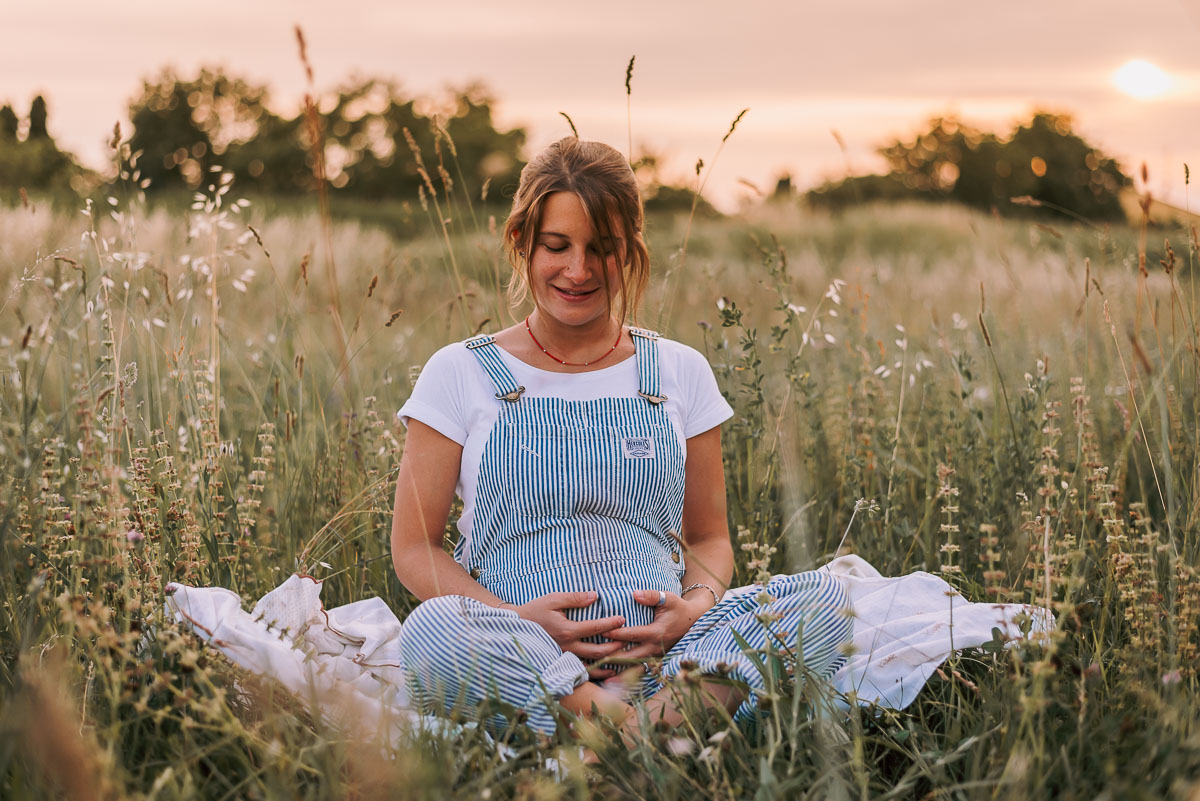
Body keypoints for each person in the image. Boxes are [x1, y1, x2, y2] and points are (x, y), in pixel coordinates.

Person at [391, 137, 852, 740]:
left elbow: (710, 541)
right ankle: (626, 728)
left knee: (827, 599)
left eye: (601, 250)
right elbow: (414, 550)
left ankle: (636, 728)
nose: (577, 271)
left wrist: (690, 611)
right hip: (528, 653)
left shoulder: (677, 371)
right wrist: (520, 622)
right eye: (556, 246)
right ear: (521, 243)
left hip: (669, 660)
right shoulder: (462, 371)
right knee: (431, 632)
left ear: (630, 250)